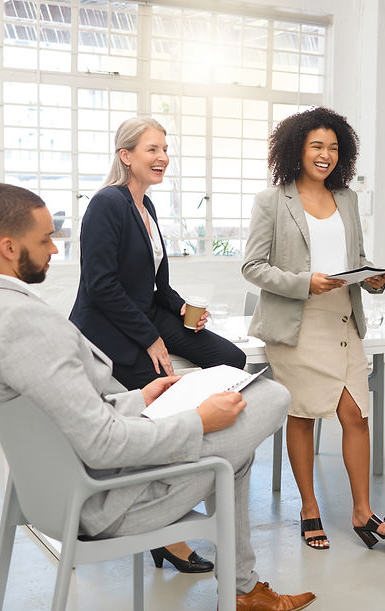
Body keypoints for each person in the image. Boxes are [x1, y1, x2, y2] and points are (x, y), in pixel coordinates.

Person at [0, 183, 316, 611]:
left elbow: (63, 412)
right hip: (101, 501)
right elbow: (103, 445)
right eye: (45, 239)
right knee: (273, 396)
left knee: (235, 454)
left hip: (50, 493)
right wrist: (198, 420)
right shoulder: (26, 324)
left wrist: (138, 398)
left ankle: (242, 590)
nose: (54, 248)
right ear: (9, 248)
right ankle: (241, 590)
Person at [70, 117, 246, 573]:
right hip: (107, 325)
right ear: (125, 155)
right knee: (162, 397)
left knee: (231, 359)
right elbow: (100, 285)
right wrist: (149, 338)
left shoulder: (145, 206)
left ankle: (207, 441)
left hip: (146, 313)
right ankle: (165, 529)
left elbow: (155, 285)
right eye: (152, 149)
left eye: (165, 149)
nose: (163, 157)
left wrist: (183, 306)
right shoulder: (106, 204)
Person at [241, 107, 385, 551]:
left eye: (333, 147)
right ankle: (309, 507)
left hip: (344, 317)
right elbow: (253, 266)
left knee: (355, 414)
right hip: (298, 322)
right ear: (297, 150)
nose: (326, 155)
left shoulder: (347, 198)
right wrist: (305, 283)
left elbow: (355, 258)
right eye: (316, 146)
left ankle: (362, 512)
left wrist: (372, 277)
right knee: (303, 414)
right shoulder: (272, 201)